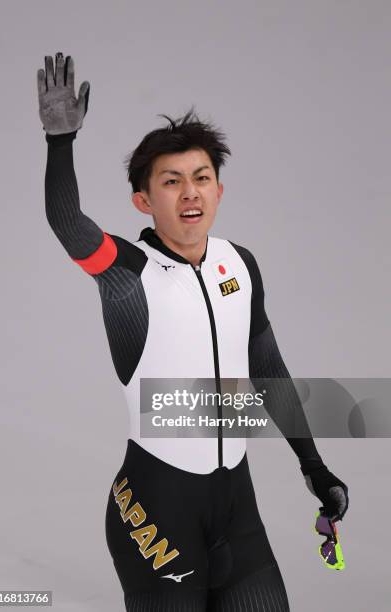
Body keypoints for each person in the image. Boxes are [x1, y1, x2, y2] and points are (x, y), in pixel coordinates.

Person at [37, 52, 349, 611]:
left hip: (236, 504)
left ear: (219, 191)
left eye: (202, 179)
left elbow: (268, 369)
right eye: (172, 182)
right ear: (143, 200)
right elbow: (67, 222)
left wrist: (314, 466)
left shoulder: (240, 263)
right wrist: (61, 143)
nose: (190, 194)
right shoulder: (126, 273)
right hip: (158, 508)